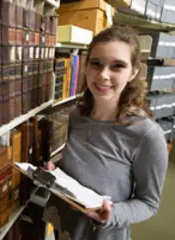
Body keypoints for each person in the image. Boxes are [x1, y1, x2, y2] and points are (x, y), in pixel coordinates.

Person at [44, 26, 168, 240]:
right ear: (86, 65)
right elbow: (88, 169)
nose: (103, 75)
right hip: (65, 227)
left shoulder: (147, 135)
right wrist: (58, 175)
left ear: (134, 72)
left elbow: (148, 204)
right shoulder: (77, 116)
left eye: (117, 66)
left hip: (102, 234)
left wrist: (111, 214)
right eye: (96, 64)